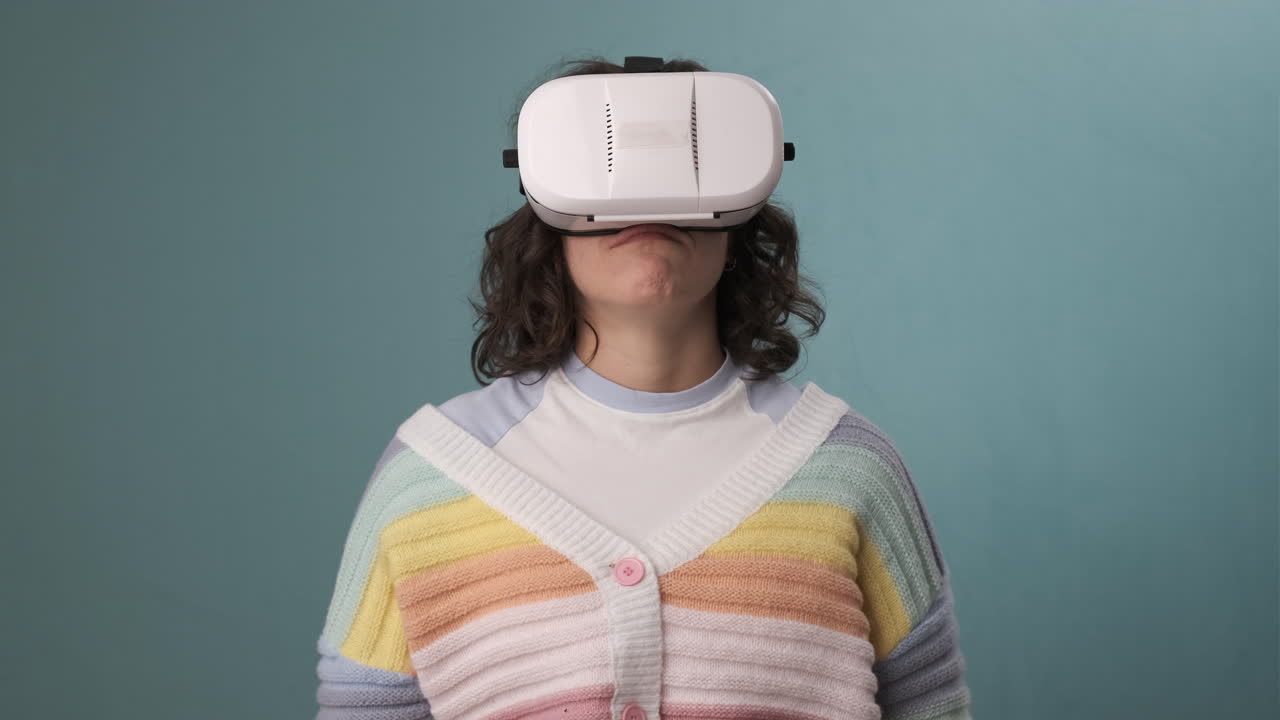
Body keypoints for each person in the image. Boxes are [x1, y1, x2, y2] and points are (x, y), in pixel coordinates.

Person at [314, 57, 972, 720]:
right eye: (603, 170)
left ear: (742, 227)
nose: (645, 203)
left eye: (685, 168)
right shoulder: (427, 479)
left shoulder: (852, 472)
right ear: (545, 220)